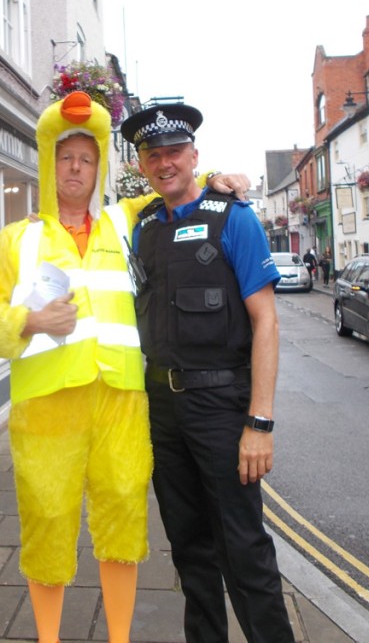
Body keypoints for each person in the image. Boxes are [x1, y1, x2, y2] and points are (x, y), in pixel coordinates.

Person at [0, 91, 248, 643]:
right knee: (47, 523)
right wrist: (29, 321)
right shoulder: (16, 240)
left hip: (122, 400)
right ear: (49, 164)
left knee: (122, 522)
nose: (75, 168)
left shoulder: (124, 221)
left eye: (86, 158)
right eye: (66, 157)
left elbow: (176, 184)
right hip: (46, 407)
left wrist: (219, 176)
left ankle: (118, 638)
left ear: (100, 168)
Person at [122, 103, 296, 643]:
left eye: (174, 152)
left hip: (221, 409)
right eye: (153, 155)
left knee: (244, 551)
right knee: (190, 551)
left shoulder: (233, 217)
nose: (164, 163)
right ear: (143, 164)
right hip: (163, 414)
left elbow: (266, 322)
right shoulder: (143, 225)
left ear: (195, 155)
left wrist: (259, 424)